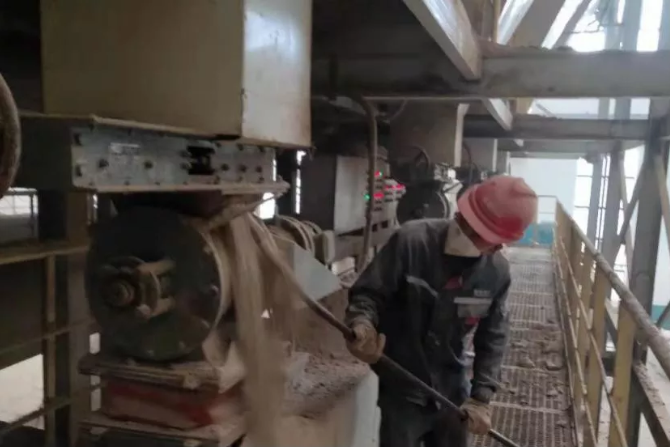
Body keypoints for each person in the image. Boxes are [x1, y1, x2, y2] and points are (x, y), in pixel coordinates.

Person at [345, 175, 538, 447]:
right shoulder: (411, 242)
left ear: (496, 244)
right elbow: (369, 293)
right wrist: (362, 324)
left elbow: (493, 336)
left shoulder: (495, 274)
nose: (465, 231)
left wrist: (481, 397)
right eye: (466, 222)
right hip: (402, 387)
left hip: (452, 394)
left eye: (477, 234)